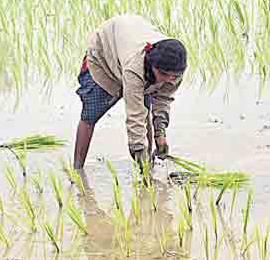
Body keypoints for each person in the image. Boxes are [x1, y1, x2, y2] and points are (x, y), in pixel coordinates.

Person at [74, 15, 186, 169]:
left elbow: (163, 100)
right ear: (152, 64)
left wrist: (160, 134)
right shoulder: (135, 67)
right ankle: (77, 169)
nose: (168, 79)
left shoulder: (174, 70)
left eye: (172, 76)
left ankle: (149, 168)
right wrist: (138, 152)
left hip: (128, 49)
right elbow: (135, 115)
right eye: (164, 74)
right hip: (104, 57)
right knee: (90, 114)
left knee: (145, 111)